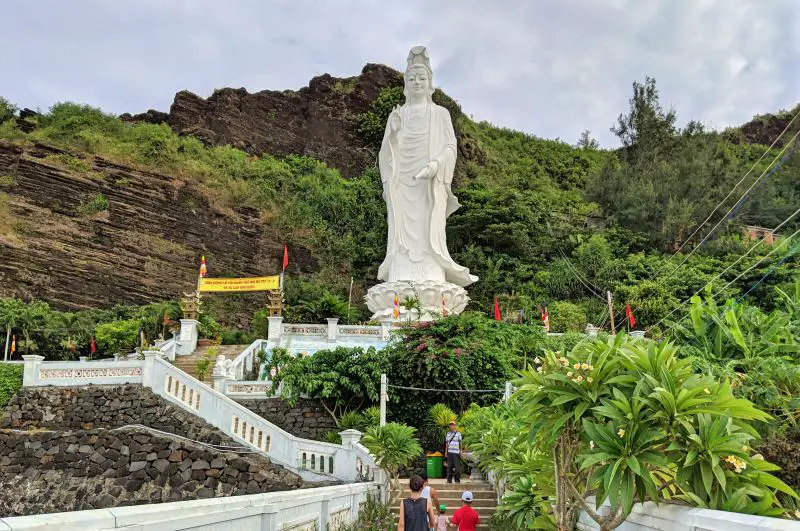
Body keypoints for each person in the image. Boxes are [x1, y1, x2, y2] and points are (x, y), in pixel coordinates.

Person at [377, 45, 478, 288]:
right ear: (405, 83)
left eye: (422, 78)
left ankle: (431, 274)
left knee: (430, 226)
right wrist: (392, 134)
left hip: (430, 183)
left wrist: (434, 166)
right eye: (411, 78)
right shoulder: (397, 114)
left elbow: (450, 147)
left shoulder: (440, 114)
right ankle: (400, 272)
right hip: (402, 182)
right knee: (400, 227)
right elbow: (385, 154)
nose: (417, 82)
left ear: (430, 82)